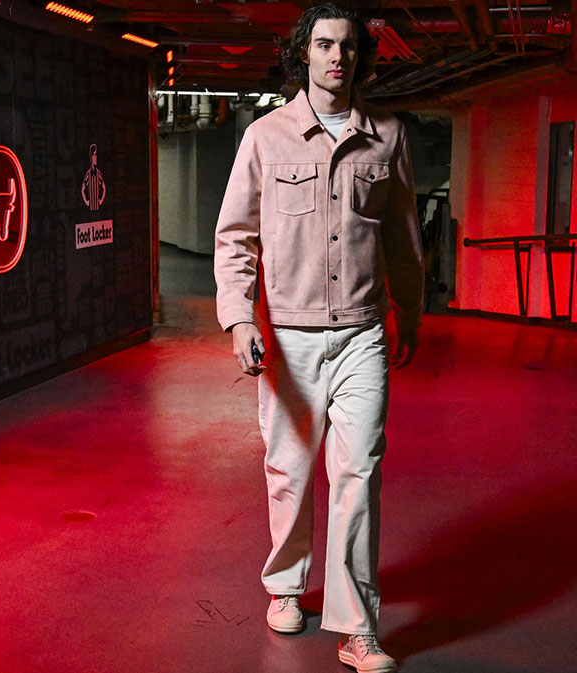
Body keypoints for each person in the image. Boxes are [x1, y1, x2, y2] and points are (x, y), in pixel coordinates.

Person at [213, 4, 423, 672]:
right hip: (291, 340)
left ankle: (358, 628)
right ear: (303, 54)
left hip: (361, 333)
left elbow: (403, 238)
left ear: (360, 57)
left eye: (350, 47)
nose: (339, 57)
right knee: (291, 472)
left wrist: (409, 313)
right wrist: (240, 317)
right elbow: (235, 236)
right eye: (325, 45)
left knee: (359, 472)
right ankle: (284, 584)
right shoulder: (266, 138)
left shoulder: (387, 136)